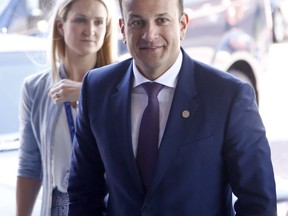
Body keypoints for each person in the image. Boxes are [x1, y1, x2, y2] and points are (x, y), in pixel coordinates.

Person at [67, 0, 277, 215]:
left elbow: (258, 202)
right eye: (137, 22)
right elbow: (83, 193)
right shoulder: (96, 89)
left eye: (162, 20)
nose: (149, 34)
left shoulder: (229, 96)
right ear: (123, 28)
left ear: (183, 25)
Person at [16, 0, 116, 215]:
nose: (90, 30)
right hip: (59, 205)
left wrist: (86, 92)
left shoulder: (121, 85)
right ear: (61, 25)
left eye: (99, 22)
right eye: (81, 19)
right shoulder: (35, 88)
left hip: (107, 204)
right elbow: (29, 165)